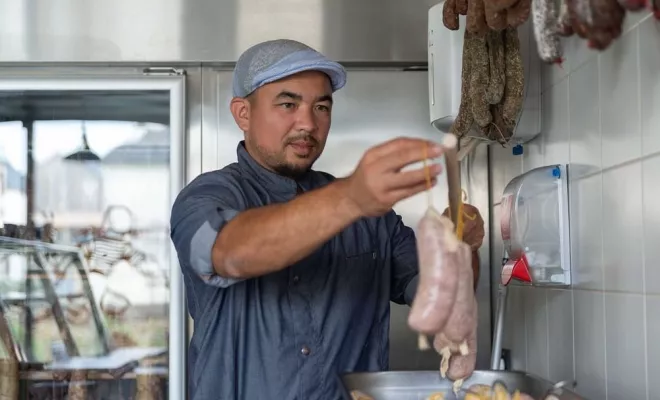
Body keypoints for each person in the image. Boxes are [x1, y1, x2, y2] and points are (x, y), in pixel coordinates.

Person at [170, 39, 485, 400]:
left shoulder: (372, 218)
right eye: (288, 104)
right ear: (243, 113)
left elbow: (442, 299)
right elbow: (229, 253)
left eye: (321, 107)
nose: (308, 123)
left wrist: (460, 247)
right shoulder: (208, 197)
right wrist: (351, 197)